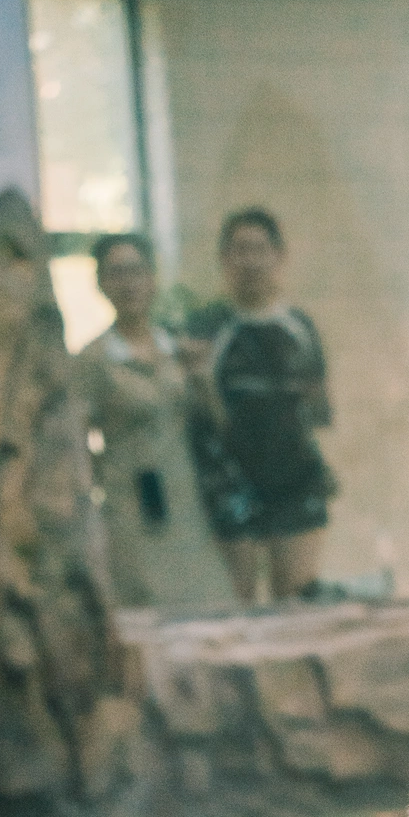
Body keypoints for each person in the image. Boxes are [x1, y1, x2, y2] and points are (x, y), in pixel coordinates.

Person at [74, 234, 231, 611]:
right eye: (115, 273)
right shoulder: (92, 360)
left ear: (152, 278)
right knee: (143, 605)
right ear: (100, 284)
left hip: (186, 499)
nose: (128, 283)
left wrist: (203, 378)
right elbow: (75, 442)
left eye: (136, 271)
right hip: (129, 504)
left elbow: (216, 425)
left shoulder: (178, 348)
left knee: (202, 603)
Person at [188, 209, 338, 605]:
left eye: (259, 249)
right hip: (229, 483)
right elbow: (198, 419)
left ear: (278, 256)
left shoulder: (299, 328)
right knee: (237, 605)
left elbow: (319, 412)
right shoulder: (207, 328)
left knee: (295, 604)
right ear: (224, 259)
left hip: (295, 480)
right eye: (240, 250)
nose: (250, 260)